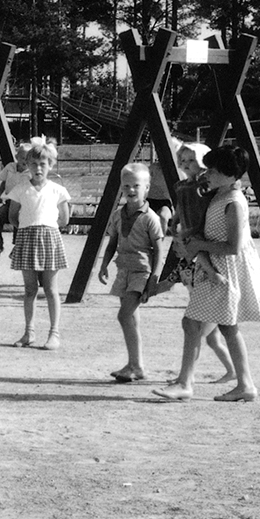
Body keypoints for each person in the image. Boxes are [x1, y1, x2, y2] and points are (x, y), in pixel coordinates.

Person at [152, 143, 260, 404]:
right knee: (224, 327)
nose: (208, 174)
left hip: (223, 269)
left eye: (214, 170)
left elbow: (233, 246)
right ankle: (244, 384)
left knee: (196, 323)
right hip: (215, 268)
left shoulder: (233, 202)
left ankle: (187, 383)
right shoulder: (219, 194)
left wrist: (198, 245)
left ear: (231, 176)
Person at [166, 140, 236, 383]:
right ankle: (232, 370)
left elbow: (202, 206)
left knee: (195, 327)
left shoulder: (205, 185)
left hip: (196, 227)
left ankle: (186, 378)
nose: (186, 165)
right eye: (183, 160)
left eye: (191, 161)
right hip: (187, 226)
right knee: (212, 335)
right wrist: (175, 219)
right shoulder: (183, 185)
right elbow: (180, 205)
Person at [96, 161, 164, 383]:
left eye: (136, 185)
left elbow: (158, 250)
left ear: (147, 188)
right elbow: (112, 242)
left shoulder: (150, 218)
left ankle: (136, 364)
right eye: (126, 186)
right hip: (123, 269)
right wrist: (104, 264)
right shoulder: (117, 215)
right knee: (131, 318)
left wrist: (154, 278)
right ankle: (135, 364)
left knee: (124, 315)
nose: (131, 190)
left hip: (141, 272)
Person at [1, 136, 71, 349]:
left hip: (49, 239)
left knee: (50, 288)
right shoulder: (21, 189)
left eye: (43, 164)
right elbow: (13, 216)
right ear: (27, 165)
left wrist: (45, 227)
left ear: (50, 165)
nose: (38, 168)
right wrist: (27, 228)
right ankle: (28, 332)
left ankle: (54, 333)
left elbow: (65, 219)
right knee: (30, 289)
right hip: (26, 238)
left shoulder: (57, 190)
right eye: (33, 164)